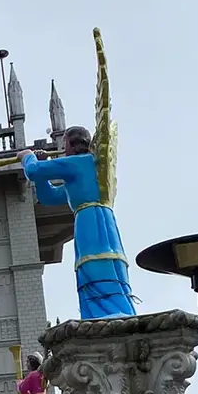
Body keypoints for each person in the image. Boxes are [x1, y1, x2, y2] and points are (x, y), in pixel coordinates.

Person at [21, 126, 134, 320]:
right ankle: (109, 309)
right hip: (103, 221)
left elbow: (32, 171)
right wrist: (40, 169)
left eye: (64, 143)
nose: (62, 148)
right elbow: (49, 197)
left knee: (94, 263)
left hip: (90, 222)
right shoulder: (89, 167)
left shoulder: (77, 163)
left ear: (71, 144)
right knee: (103, 263)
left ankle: (105, 312)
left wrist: (27, 156)